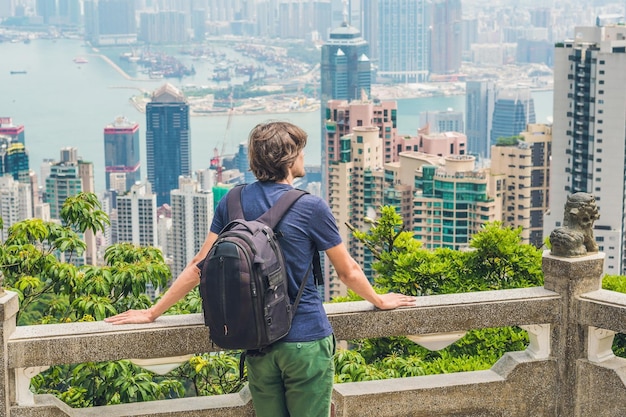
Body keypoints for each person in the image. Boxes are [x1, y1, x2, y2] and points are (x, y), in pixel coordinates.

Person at [105, 121, 417, 417]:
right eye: (300, 150)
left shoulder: (233, 200)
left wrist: (151, 313)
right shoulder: (311, 206)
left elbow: (199, 267)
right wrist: (378, 299)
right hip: (305, 341)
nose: (304, 156)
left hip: (257, 341)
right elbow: (347, 271)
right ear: (289, 158)